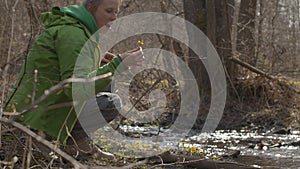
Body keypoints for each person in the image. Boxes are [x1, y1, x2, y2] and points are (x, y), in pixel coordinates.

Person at [5, 0, 144, 160]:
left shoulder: (79, 30)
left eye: (116, 12)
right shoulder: (74, 35)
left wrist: (101, 62)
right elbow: (74, 89)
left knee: (108, 82)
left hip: (43, 106)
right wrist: (118, 64)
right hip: (35, 117)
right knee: (111, 102)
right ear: (91, 9)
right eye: (108, 11)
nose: (114, 17)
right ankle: (43, 141)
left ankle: (77, 143)